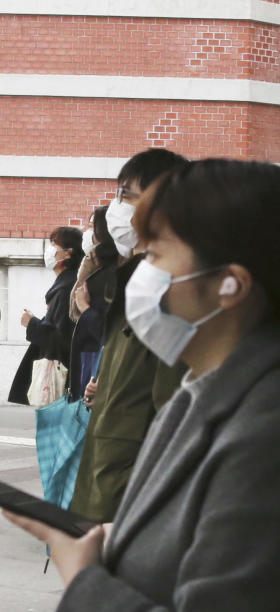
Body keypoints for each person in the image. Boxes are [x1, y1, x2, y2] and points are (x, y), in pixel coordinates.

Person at [3, 159, 280, 612]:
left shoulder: (277, 434)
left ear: (230, 285)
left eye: (157, 255)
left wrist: (88, 580)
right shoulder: (207, 394)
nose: (142, 272)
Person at [70, 148, 190, 523]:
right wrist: (105, 385)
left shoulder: (172, 283)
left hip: (132, 473)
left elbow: (172, 400)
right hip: (113, 456)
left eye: (126, 195)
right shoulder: (136, 273)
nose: (116, 208)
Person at [8, 226, 84, 405]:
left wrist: (31, 323)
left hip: (59, 371)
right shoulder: (66, 284)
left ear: (67, 253)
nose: (49, 250)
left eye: (54, 244)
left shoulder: (66, 288)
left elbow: (61, 337)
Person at [66, 205, 119, 402]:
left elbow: (110, 329)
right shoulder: (95, 266)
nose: (87, 234)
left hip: (98, 356)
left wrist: (85, 308)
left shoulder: (111, 272)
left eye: (92, 227)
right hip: (89, 351)